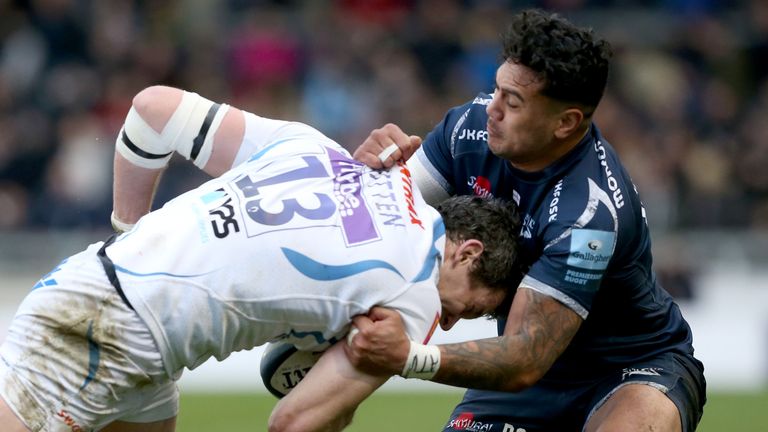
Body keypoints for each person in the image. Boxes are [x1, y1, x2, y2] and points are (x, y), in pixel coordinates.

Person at [0, 85, 522, 432]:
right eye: (469, 310)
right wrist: (342, 397)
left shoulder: (317, 149)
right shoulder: (415, 297)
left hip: (100, 296)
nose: (451, 321)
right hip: (105, 341)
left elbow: (152, 112)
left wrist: (128, 238)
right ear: (467, 251)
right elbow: (294, 423)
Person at [346, 8, 706, 432]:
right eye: (496, 90)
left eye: (512, 102)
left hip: (631, 367)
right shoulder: (467, 130)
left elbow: (524, 358)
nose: (491, 109)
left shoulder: (588, 213)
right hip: (528, 376)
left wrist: (408, 357)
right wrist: (363, 179)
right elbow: (379, 232)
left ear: (565, 122)